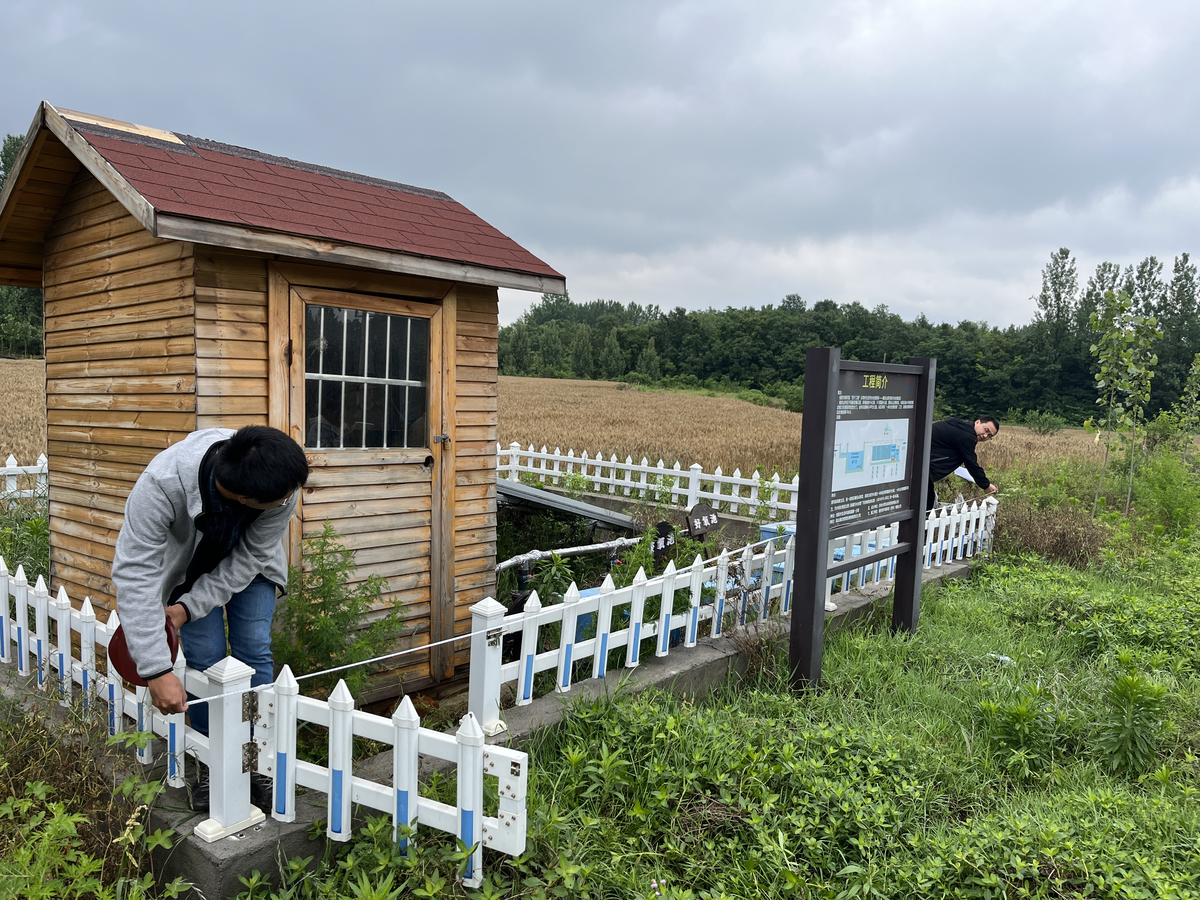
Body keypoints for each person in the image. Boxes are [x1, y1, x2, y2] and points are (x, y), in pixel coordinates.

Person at [112, 425, 309, 810]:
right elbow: (135, 573)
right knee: (206, 663)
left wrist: (188, 608)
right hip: (189, 571)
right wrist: (155, 670)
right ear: (242, 496)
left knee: (253, 651)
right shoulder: (162, 484)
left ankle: (254, 760)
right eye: (285, 497)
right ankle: (211, 759)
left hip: (250, 569)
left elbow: (250, 557)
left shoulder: (279, 485)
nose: (291, 500)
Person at [927, 416, 999, 509]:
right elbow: (971, 462)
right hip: (921, 466)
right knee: (925, 503)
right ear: (977, 422)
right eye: (986, 430)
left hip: (919, 461)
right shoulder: (967, 435)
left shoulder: (961, 427)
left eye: (989, 436)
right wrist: (986, 485)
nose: (985, 436)